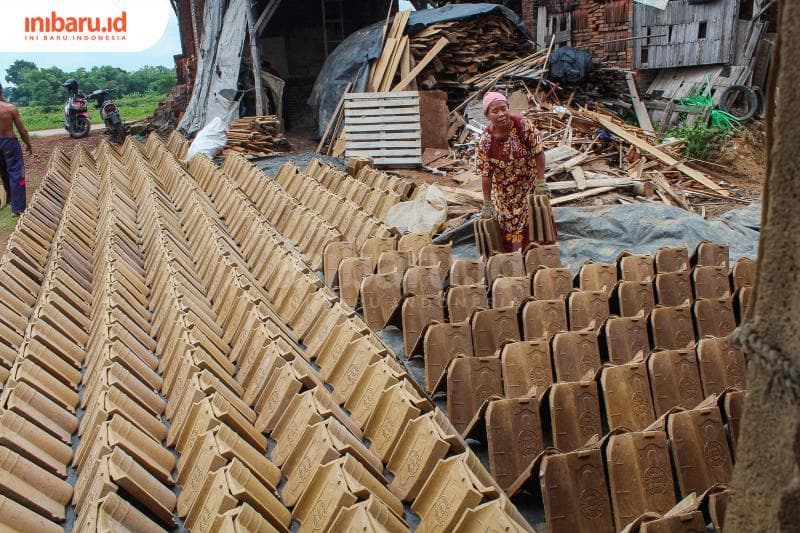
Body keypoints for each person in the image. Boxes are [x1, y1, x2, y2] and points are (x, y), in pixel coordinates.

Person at [476, 91, 549, 252]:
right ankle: (514, 260)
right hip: (504, 192)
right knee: (508, 228)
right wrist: (487, 203)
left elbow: (538, 151)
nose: (501, 114)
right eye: (495, 111)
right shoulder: (486, 140)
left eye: (503, 108)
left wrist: (541, 181)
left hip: (528, 183)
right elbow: (486, 174)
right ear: (487, 115)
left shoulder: (523, 125)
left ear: (508, 108)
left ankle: (539, 256)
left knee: (536, 219)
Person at [0, 83, 33, 216]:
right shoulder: (10, 108)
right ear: (1, 91)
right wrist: (28, 144)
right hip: (9, 143)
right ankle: (18, 208)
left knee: (4, 173)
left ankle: (10, 200)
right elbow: (22, 130)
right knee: (16, 173)